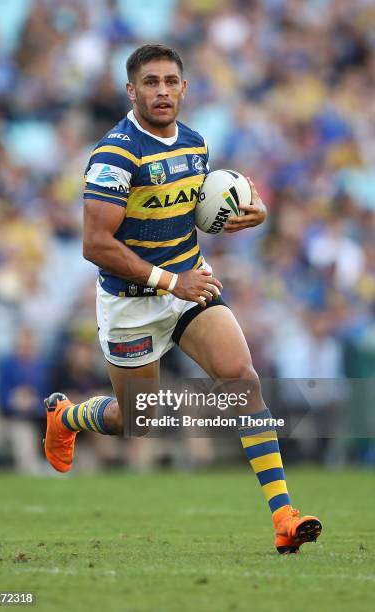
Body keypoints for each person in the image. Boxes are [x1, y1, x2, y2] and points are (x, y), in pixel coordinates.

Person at [44, 44, 322, 554]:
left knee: (241, 378)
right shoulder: (115, 155)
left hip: (189, 286)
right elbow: (96, 245)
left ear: (185, 87)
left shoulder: (195, 144)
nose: (162, 91)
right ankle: (66, 418)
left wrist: (250, 212)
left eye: (171, 81)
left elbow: (200, 207)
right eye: (150, 82)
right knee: (138, 422)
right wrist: (172, 283)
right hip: (131, 303)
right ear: (132, 91)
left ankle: (284, 515)